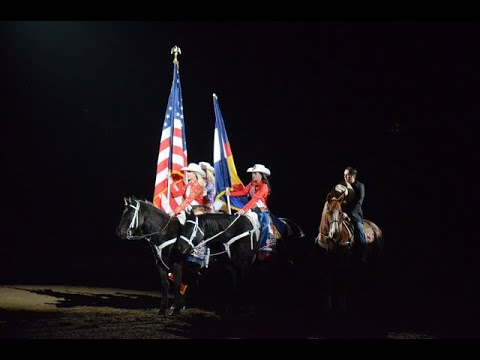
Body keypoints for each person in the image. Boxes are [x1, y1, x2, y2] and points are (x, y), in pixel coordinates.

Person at [226, 163, 275, 259]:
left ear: (261, 175)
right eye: (252, 173)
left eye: (255, 173)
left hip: (261, 210)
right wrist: (230, 194)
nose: (253, 175)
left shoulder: (264, 186)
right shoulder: (251, 184)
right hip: (252, 209)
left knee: (265, 225)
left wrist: (243, 210)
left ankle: (264, 248)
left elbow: (255, 199)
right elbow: (244, 192)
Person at [332, 166, 367, 262]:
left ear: (353, 176)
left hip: (354, 215)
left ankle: (363, 253)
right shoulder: (342, 186)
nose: (345, 177)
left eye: (348, 175)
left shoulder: (360, 186)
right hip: (341, 213)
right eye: (344, 175)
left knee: (359, 230)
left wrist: (348, 214)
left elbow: (359, 203)